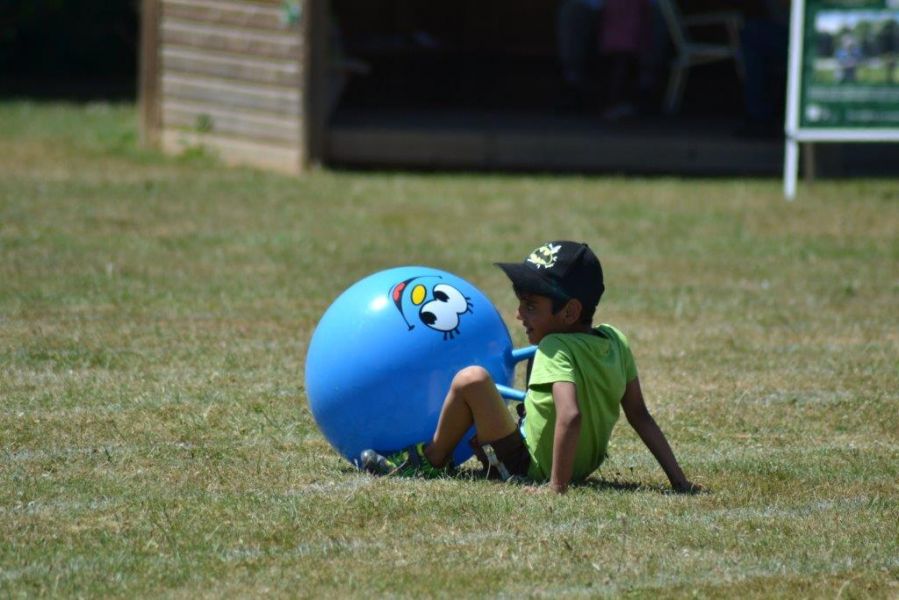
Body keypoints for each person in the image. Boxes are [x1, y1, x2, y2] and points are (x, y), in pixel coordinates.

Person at [360, 241, 700, 495]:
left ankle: (428, 461)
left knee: (470, 380)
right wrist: (679, 481)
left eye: (531, 306)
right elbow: (640, 416)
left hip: (530, 468)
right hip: (579, 466)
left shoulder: (554, 347)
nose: (519, 314)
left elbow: (570, 416)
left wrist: (555, 487)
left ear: (569, 312)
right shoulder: (615, 340)